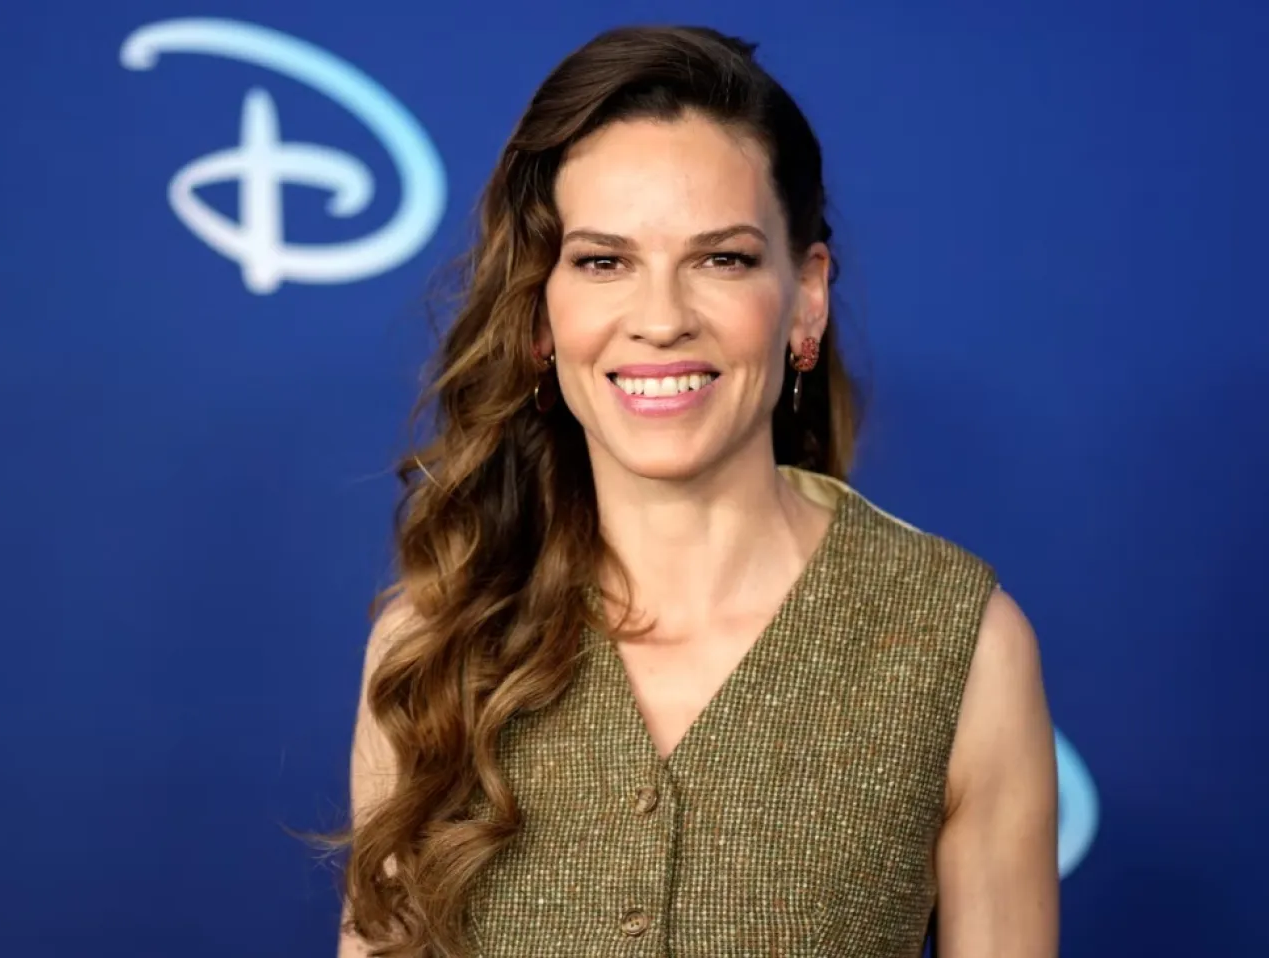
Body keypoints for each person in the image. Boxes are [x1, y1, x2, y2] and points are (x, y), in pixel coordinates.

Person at [336, 23, 1058, 958]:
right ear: (541, 313)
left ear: (806, 296)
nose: (662, 319)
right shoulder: (434, 646)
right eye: (604, 261)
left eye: (722, 259)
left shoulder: (960, 647)